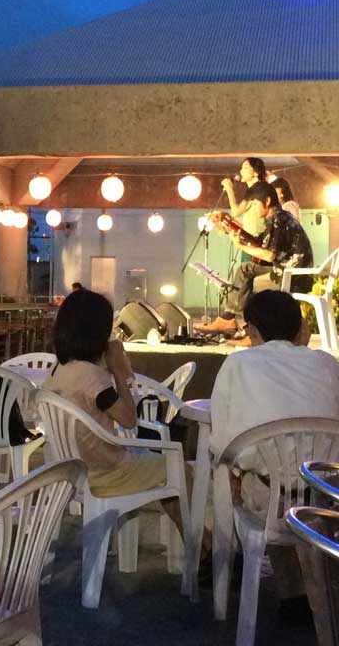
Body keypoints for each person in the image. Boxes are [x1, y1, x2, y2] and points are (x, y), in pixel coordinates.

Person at [210, 290, 339, 618]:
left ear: (251, 329)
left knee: (249, 474)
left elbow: (222, 444)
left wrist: (233, 473)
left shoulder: (238, 364)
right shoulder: (326, 363)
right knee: (285, 471)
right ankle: (307, 592)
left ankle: (281, 589)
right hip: (326, 501)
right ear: (301, 327)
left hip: (271, 501)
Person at [44, 289, 188, 529]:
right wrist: (119, 371)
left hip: (72, 469)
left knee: (160, 467)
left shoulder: (57, 370)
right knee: (181, 470)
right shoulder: (93, 379)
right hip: (107, 472)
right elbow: (130, 420)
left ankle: (202, 541)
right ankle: (200, 542)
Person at [198, 181, 313, 335]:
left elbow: (269, 255)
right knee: (246, 273)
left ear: (267, 201)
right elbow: (257, 242)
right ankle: (241, 325)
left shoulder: (278, 219)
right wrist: (230, 226)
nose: (253, 208)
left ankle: (243, 326)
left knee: (245, 273)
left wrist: (240, 246)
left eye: (255, 204)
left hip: (293, 277)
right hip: (289, 271)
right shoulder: (279, 217)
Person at [221, 157, 267, 238]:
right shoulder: (258, 188)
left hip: (257, 239)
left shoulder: (257, 189)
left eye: (245, 168)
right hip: (255, 238)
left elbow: (236, 211)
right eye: (241, 168)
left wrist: (229, 189)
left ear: (256, 173)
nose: (241, 171)